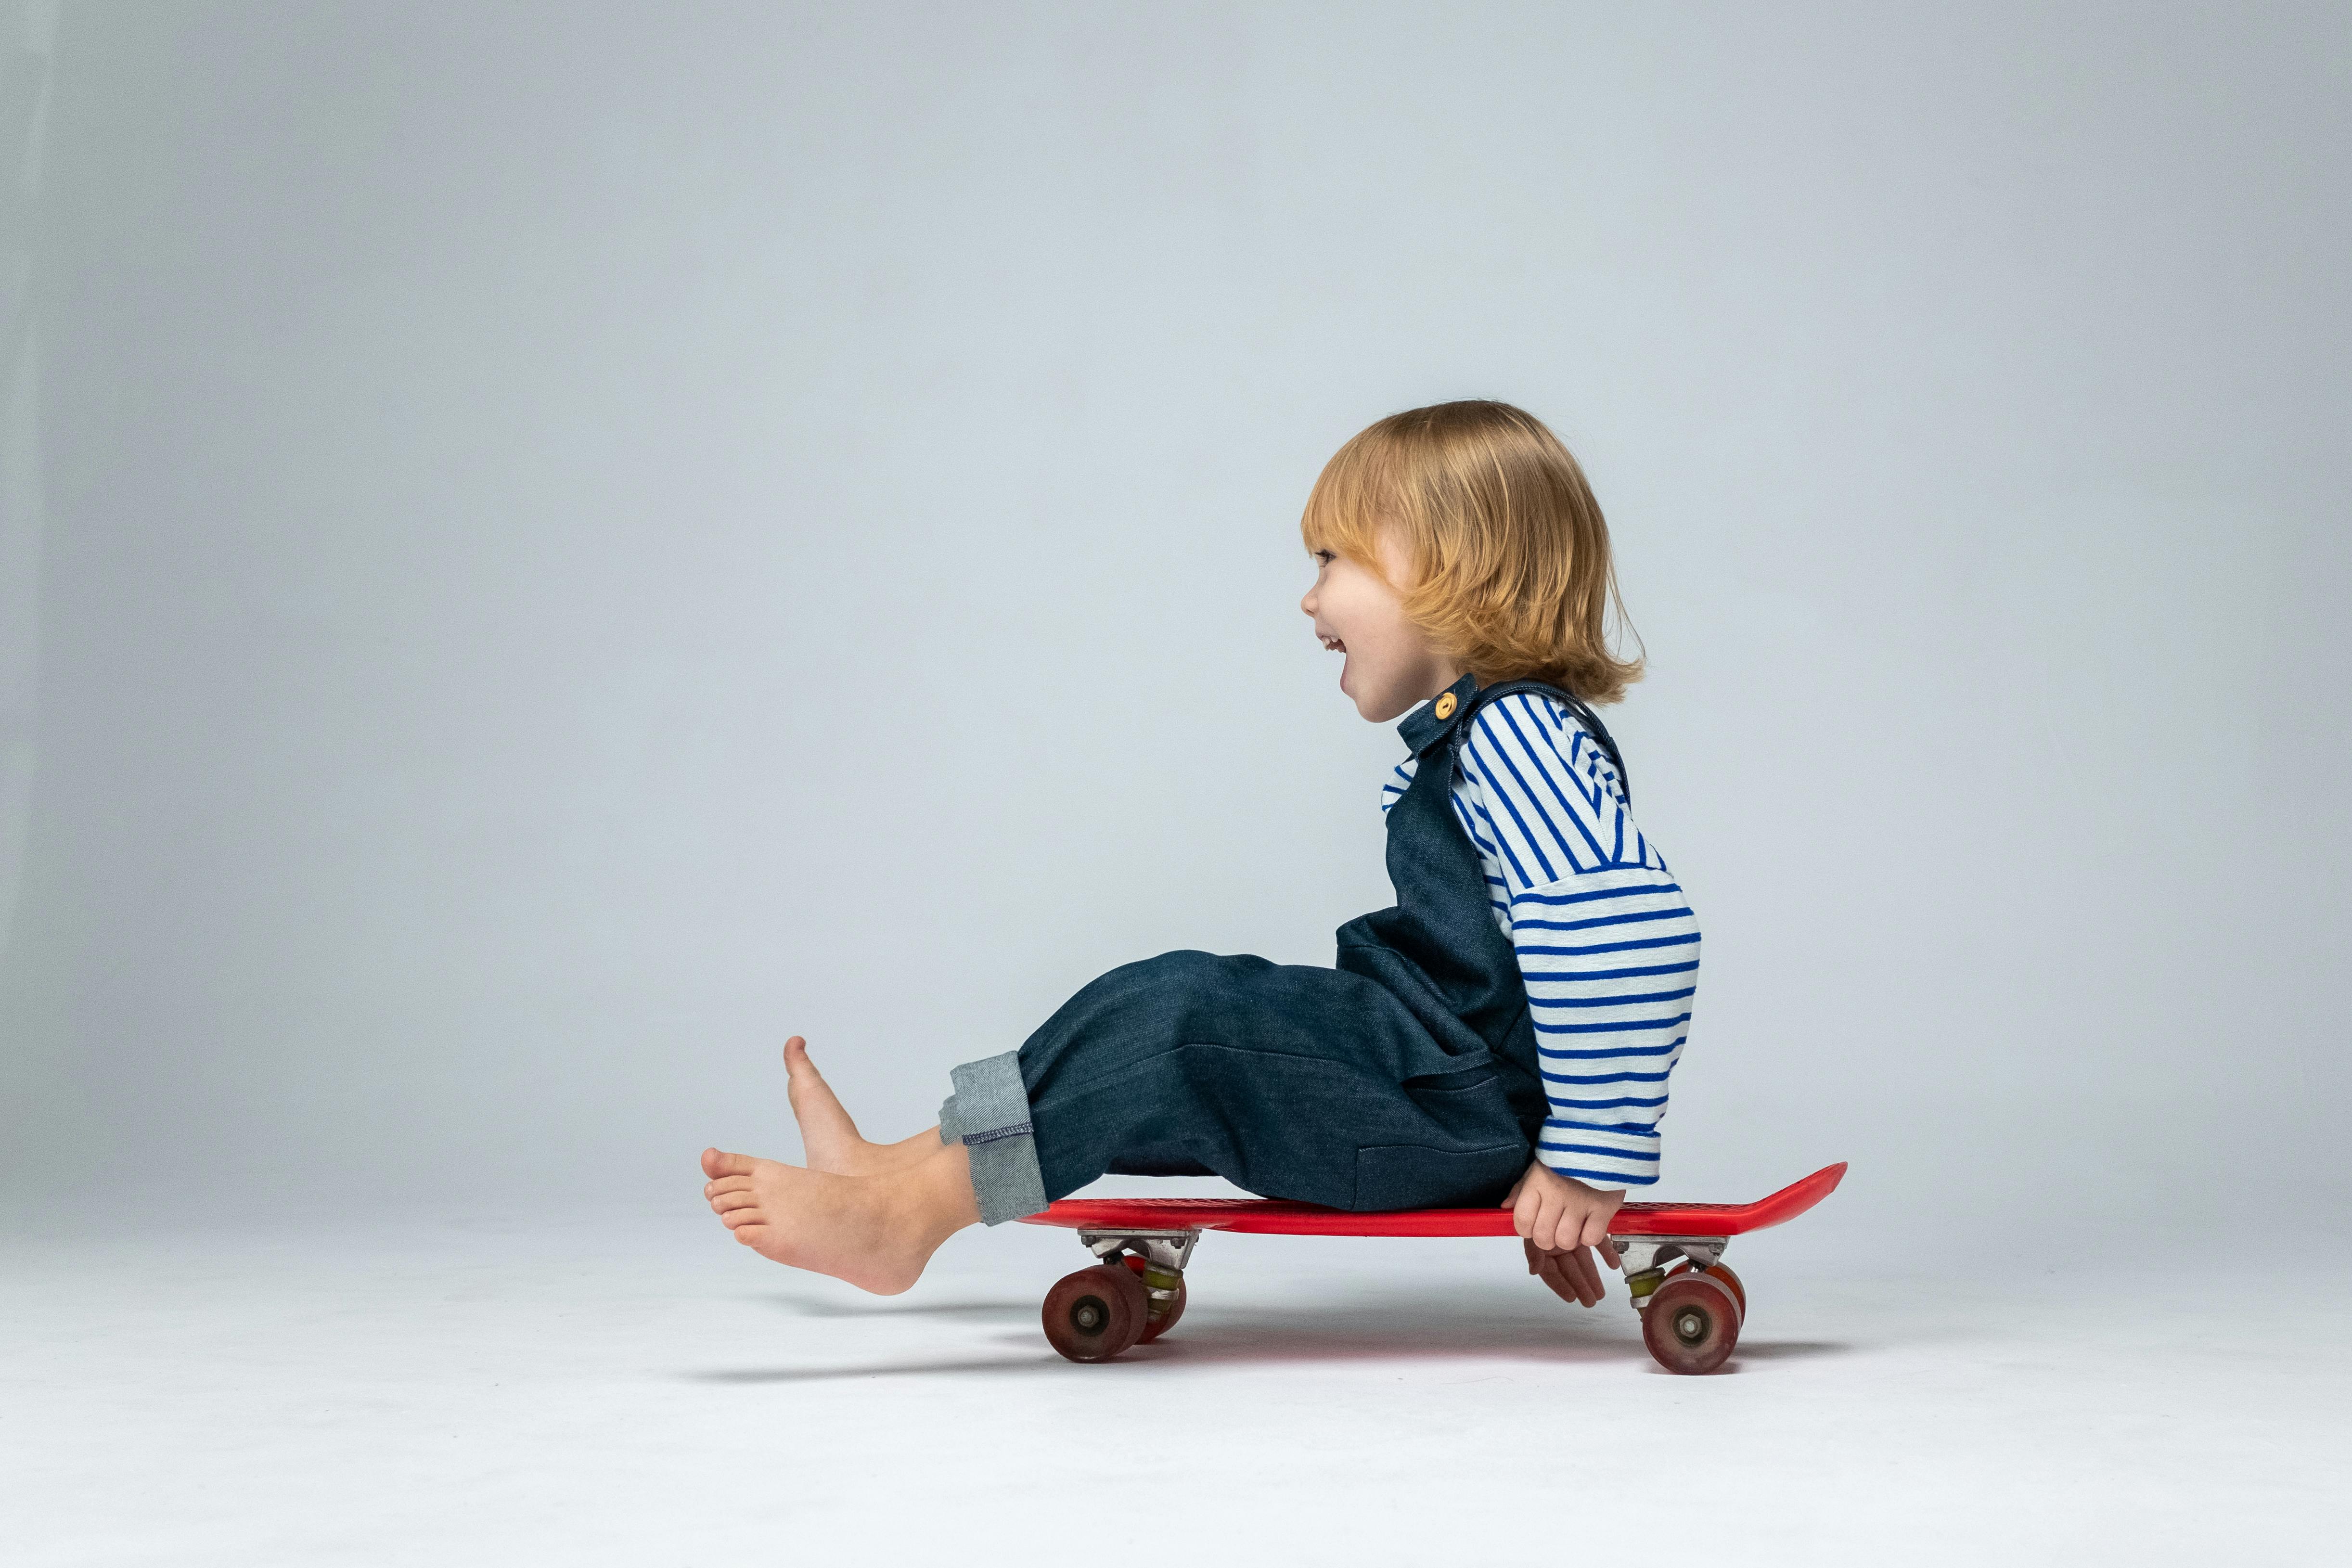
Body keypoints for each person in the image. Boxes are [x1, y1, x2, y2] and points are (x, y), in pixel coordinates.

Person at [700, 399, 1699, 1311]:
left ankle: (900, 1223)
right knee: (1147, 1004)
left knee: (1179, 1025)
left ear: (1452, 566)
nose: (1310, 601)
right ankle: (890, 1175)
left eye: (1332, 561)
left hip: (1450, 1107)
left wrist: (1580, 1158)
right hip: (1434, 1089)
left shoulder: (1517, 736)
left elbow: (1629, 934)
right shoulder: (1473, 742)